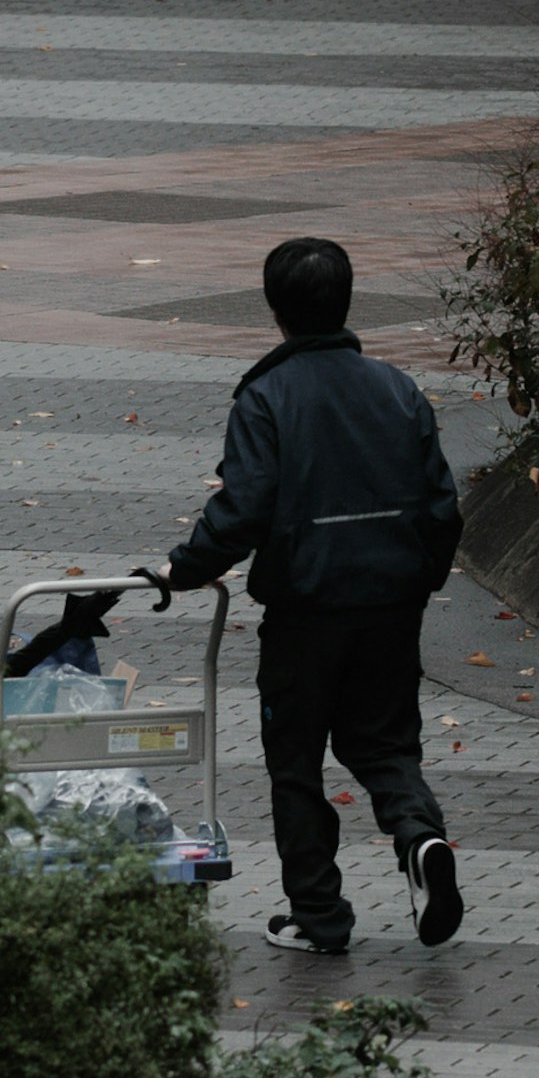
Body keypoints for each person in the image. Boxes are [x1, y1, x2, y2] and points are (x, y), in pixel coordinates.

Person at [155, 236, 466, 957]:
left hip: (306, 610)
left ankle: (319, 915)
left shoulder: (266, 398)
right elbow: (442, 506)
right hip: (391, 605)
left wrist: (183, 570)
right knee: (386, 742)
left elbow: (244, 509)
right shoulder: (396, 389)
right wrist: (418, 576)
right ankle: (420, 839)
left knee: (296, 761)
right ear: (347, 300)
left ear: (277, 311)